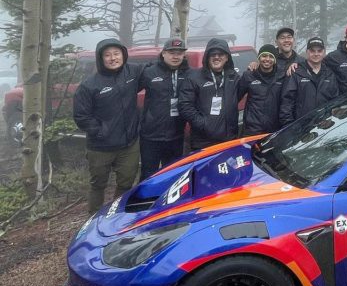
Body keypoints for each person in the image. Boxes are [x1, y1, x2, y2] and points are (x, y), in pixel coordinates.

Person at [73, 38, 143, 213]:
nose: (113, 58)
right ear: (101, 58)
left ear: (123, 55)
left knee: (126, 183)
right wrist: (101, 131)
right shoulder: (89, 85)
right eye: (108, 55)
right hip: (100, 146)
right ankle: (93, 217)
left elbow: (156, 71)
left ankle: (116, 215)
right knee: (98, 184)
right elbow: (81, 116)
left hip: (129, 144)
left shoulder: (133, 73)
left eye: (116, 54)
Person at [137, 38, 189, 180]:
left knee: (172, 175)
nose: (176, 56)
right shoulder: (149, 72)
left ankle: (168, 202)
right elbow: (128, 91)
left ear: (184, 55)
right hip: (151, 136)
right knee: (148, 175)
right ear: (163, 53)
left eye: (180, 52)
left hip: (176, 135)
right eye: (172, 52)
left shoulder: (189, 74)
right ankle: (146, 202)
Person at [178, 38, 240, 151]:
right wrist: (204, 125)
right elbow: (185, 106)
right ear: (207, 57)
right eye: (213, 54)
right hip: (203, 141)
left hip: (229, 139)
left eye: (221, 54)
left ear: (227, 58)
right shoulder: (194, 77)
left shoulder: (233, 77)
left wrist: (255, 66)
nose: (216, 57)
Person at [279, 37, 339, 125]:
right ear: (307, 52)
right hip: (300, 127)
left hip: (324, 127)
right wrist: (288, 126)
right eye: (312, 51)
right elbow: (287, 103)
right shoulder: (296, 72)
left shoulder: (330, 74)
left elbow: (335, 102)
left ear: (324, 52)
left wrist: (331, 122)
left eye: (319, 51)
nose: (316, 54)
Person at [238, 44, 282, 136]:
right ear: (259, 57)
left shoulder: (282, 76)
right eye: (264, 56)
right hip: (252, 130)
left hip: (273, 130)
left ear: (275, 60)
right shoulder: (248, 75)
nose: (267, 59)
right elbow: (235, 98)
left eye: (271, 56)